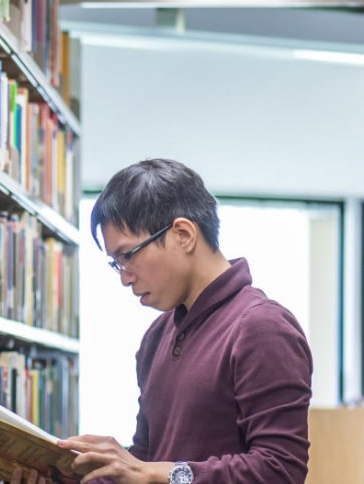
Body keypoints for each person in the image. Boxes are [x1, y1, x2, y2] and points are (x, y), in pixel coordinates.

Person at [58, 158, 313, 483]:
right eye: (115, 263)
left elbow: (280, 470)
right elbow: (148, 460)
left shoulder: (262, 328)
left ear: (183, 234)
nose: (124, 277)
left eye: (128, 255)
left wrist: (160, 474)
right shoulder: (156, 337)